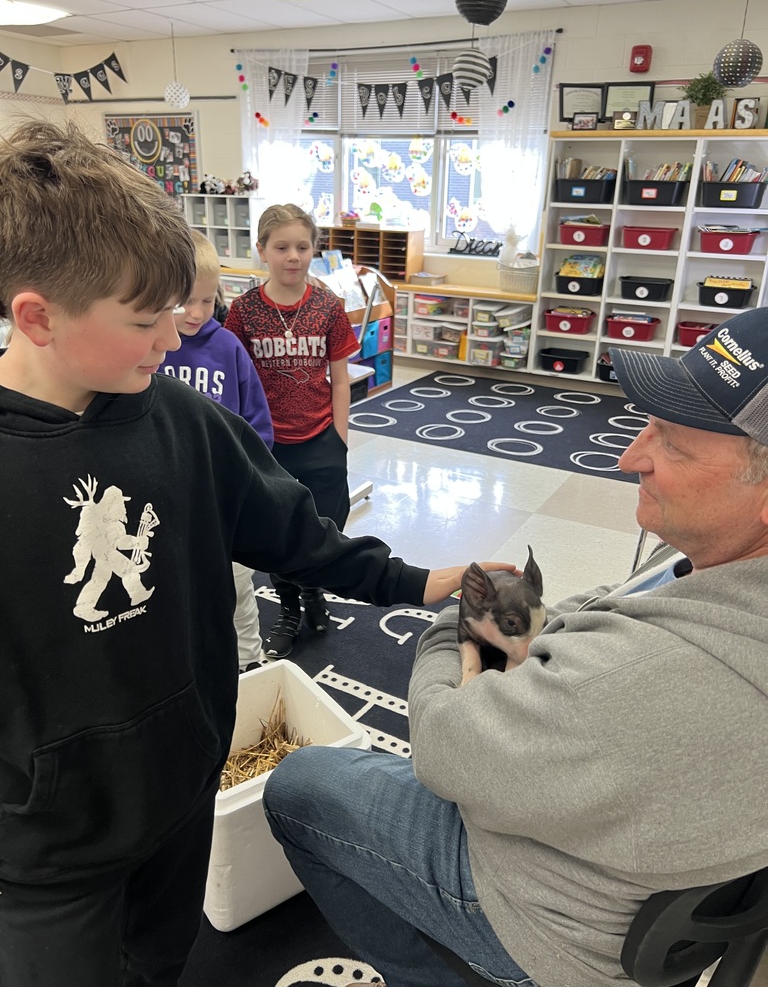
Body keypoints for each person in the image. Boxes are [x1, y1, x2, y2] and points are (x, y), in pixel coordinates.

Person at [0, 119, 515, 987]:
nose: (173, 341)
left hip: (182, 787)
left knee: (161, 963)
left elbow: (299, 537)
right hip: (46, 850)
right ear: (37, 317)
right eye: (143, 320)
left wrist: (422, 580)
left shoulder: (187, 424)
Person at [263, 307, 768, 987]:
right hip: (665, 875)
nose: (630, 457)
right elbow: (601, 625)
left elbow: (446, 747)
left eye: (674, 444)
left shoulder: (639, 677)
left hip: (557, 924)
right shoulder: (717, 582)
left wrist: (458, 618)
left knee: (301, 786)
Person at [224, 204, 360, 659]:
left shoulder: (327, 307)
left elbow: (341, 378)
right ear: (262, 250)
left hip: (321, 438)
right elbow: (235, 377)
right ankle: (287, 605)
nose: (293, 256)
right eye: (281, 247)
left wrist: (339, 439)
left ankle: (313, 591)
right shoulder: (243, 312)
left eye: (302, 247)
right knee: (276, 529)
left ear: (314, 250)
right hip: (266, 444)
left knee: (324, 525)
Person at [162, 229, 273, 671]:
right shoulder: (150, 350)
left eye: (207, 301)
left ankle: (251, 661)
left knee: (238, 587)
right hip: (170, 503)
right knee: (180, 591)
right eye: (185, 300)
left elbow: (257, 422)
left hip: (225, 498)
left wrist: (248, 478)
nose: (196, 313)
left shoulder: (226, 345)